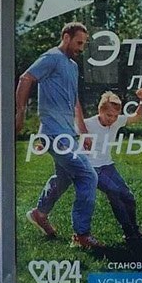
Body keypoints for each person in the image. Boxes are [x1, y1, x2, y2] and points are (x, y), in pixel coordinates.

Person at [14, 22, 97, 250]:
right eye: (79, 43)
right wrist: (20, 113)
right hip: (54, 132)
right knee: (88, 176)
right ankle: (81, 234)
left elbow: (74, 100)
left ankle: (40, 213)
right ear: (66, 37)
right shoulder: (51, 57)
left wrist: (83, 131)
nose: (81, 48)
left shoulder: (71, 65)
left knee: (66, 176)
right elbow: (26, 78)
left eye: (84, 44)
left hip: (67, 132)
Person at [75, 89, 142, 250]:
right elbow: (65, 133)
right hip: (91, 168)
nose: (112, 119)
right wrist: (44, 143)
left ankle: (134, 229)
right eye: (109, 115)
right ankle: (129, 232)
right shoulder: (87, 124)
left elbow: (138, 116)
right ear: (100, 111)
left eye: (115, 116)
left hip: (107, 165)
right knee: (114, 192)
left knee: (128, 196)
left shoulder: (116, 121)